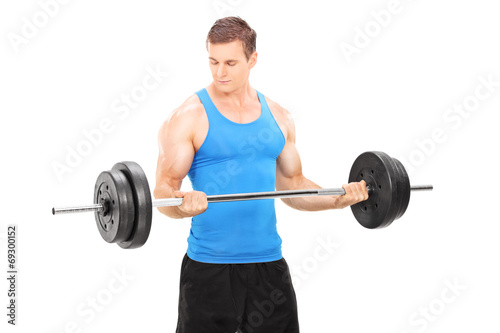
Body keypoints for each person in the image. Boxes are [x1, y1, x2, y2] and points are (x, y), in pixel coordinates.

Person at [154, 16, 368, 333]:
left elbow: (293, 186)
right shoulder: (188, 116)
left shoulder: (279, 118)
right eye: (213, 61)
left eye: (230, 62)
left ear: (253, 59)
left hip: (269, 267)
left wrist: (338, 200)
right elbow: (162, 192)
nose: (219, 72)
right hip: (208, 269)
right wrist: (181, 207)